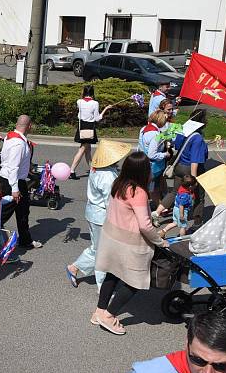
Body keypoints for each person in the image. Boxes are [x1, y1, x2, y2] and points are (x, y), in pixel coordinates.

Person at [92, 151, 168, 335]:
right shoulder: (138, 192)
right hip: (130, 242)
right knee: (135, 281)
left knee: (113, 273)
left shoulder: (119, 184)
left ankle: (100, 311)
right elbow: (144, 225)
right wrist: (159, 240)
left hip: (112, 236)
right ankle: (109, 316)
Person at [66, 139, 130, 290]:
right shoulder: (107, 175)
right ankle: (103, 288)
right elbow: (110, 201)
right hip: (102, 216)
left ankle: (74, 268)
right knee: (103, 253)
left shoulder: (98, 168)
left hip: (95, 213)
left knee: (98, 249)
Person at [0, 114, 42, 250]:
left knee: (23, 211)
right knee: (5, 212)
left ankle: (25, 240)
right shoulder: (19, 143)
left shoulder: (10, 136)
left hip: (10, 179)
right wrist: (15, 189)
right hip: (12, 181)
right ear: (29, 126)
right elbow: (13, 167)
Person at [70, 85, 112, 179]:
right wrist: (106, 109)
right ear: (93, 92)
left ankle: (92, 170)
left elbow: (79, 114)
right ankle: (71, 171)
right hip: (89, 126)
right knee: (82, 149)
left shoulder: (79, 101)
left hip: (81, 126)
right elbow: (97, 119)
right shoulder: (95, 103)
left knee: (87, 150)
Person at [139, 109, 173, 206]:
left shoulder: (144, 129)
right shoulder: (155, 134)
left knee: (147, 186)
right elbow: (152, 154)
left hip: (143, 161)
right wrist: (165, 154)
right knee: (153, 188)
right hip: (153, 166)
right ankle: (158, 206)